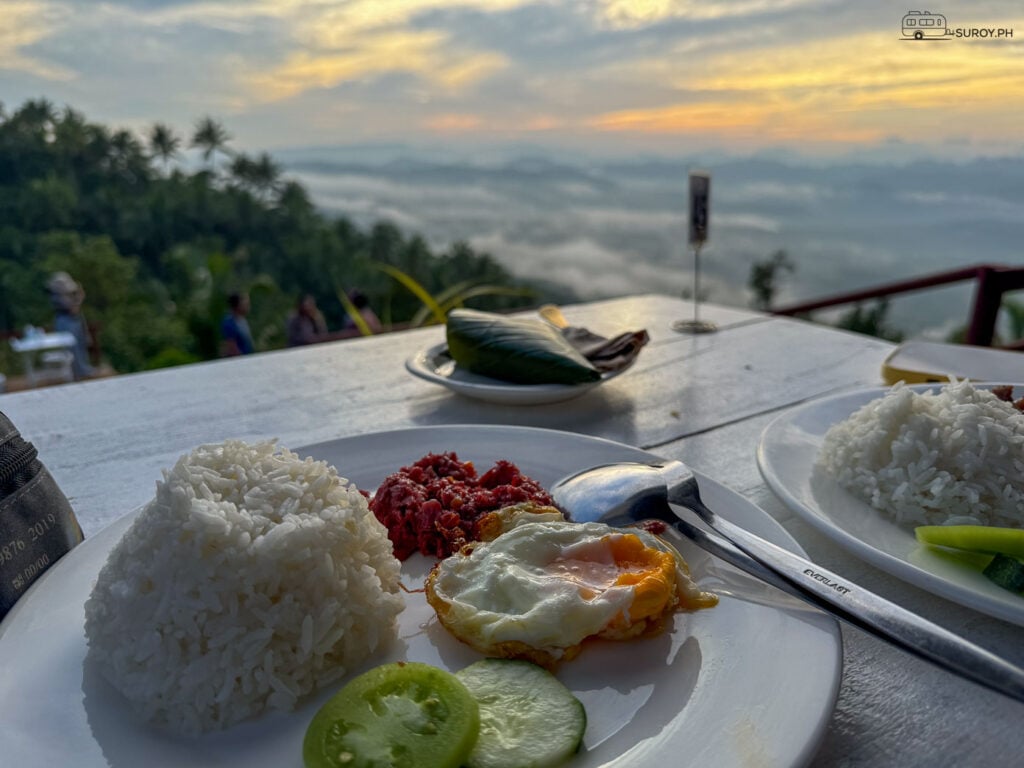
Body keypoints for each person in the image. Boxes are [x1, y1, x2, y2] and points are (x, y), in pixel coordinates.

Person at [47, 272, 95, 380]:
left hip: (67, 321)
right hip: (68, 321)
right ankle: (79, 372)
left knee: (77, 346)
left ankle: (80, 371)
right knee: (73, 349)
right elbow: (73, 309)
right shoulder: (60, 297)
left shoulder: (57, 296)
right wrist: (80, 297)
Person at [220, 291, 254, 356]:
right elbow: (231, 347)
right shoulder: (229, 323)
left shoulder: (242, 320)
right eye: (244, 304)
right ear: (238, 305)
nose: (247, 307)